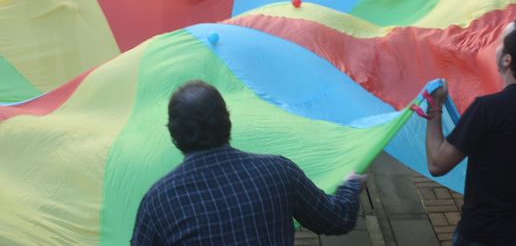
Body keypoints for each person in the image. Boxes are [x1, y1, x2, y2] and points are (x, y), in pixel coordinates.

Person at [131, 80, 365, 245]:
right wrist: (351, 183)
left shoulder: (159, 202)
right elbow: (337, 219)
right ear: (227, 122)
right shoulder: (279, 172)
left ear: (174, 135)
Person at [425, 17, 516, 245]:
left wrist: (434, 109)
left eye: (499, 42)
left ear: (507, 60)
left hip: (483, 232)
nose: (495, 47)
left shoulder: (487, 109)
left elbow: (437, 164)